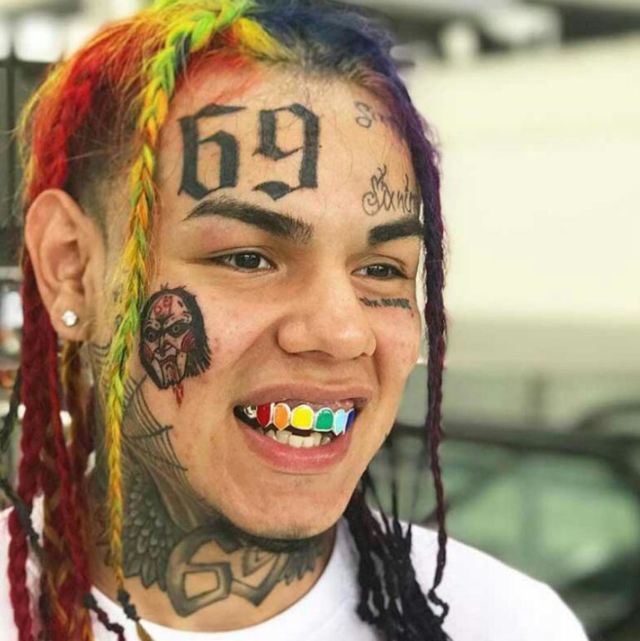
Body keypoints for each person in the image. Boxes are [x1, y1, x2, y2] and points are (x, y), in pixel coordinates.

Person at [0, 1, 589, 640]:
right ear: (72, 269)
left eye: (381, 268)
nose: (342, 333)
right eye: (248, 258)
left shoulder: (510, 625)